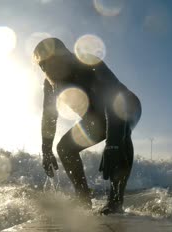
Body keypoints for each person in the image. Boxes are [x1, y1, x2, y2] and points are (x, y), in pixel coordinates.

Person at [33, 37, 141, 215]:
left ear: (63, 55)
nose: (45, 69)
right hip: (95, 119)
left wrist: (113, 143)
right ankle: (83, 198)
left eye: (48, 62)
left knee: (122, 135)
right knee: (65, 148)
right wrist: (46, 149)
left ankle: (115, 201)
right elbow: (49, 116)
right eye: (41, 65)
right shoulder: (49, 83)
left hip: (126, 105)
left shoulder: (88, 62)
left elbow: (115, 99)